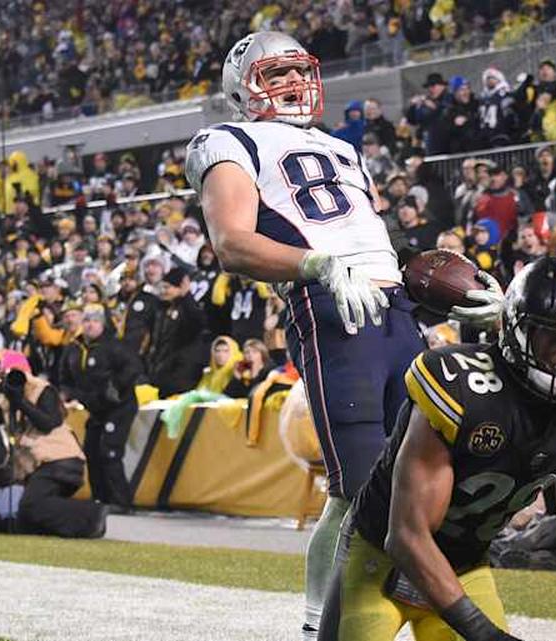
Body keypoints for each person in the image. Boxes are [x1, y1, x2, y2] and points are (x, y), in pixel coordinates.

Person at [184, 32, 504, 641]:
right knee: (363, 497)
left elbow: (376, 245)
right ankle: (326, 629)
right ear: (242, 87)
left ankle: (369, 621)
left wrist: (458, 298)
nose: (294, 85)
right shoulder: (225, 140)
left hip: (394, 311)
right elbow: (231, 243)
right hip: (331, 308)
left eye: (299, 72)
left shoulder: (340, 148)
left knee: (418, 483)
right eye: (276, 75)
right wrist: (317, 266)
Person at [321, 257, 556, 641]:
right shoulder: (463, 388)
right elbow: (407, 536)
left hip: (463, 565)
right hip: (378, 560)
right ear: (519, 330)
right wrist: (485, 636)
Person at [0, 351, 108, 537]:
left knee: (30, 505)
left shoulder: (43, 390)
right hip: (42, 466)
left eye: (18, 375)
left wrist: (21, 402)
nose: (15, 381)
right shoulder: (5, 401)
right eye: (7, 375)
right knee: (25, 521)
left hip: (61, 460)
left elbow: (50, 422)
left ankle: (92, 514)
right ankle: (85, 528)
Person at [59, 304, 143, 511]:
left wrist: (115, 387)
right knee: (92, 451)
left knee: (110, 451)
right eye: (86, 320)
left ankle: (121, 502)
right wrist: (67, 394)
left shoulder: (114, 346)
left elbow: (134, 367)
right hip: (95, 408)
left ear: (103, 324)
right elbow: (64, 378)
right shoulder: (74, 349)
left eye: (95, 321)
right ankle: (101, 498)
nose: (90, 325)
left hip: (119, 407)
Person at [147, 267, 208, 398]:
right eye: (162, 287)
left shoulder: (188, 308)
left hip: (182, 373)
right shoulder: (161, 309)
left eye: (168, 287)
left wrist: (187, 296)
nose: (164, 292)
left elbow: (199, 322)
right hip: (162, 371)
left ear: (179, 288)